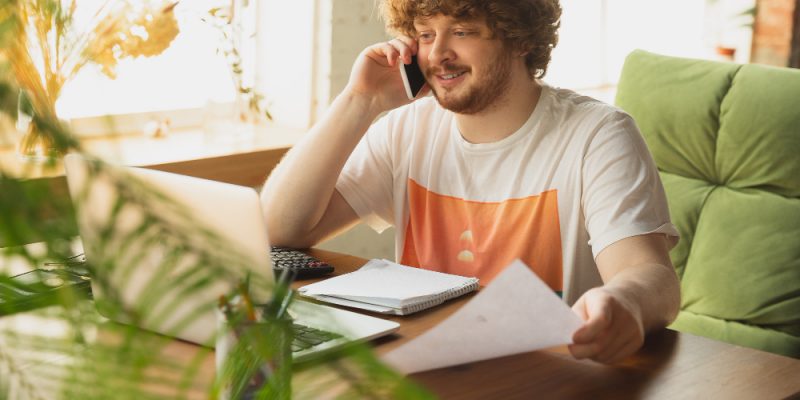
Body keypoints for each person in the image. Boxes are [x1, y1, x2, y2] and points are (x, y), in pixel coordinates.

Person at [261, 0, 680, 364]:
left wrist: (624, 302)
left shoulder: (597, 134)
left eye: (461, 31)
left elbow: (650, 275)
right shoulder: (406, 128)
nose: (438, 54)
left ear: (520, 38)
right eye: (425, 35)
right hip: (428, 369)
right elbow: (283, 228)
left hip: (549, 370)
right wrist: (360, 101)